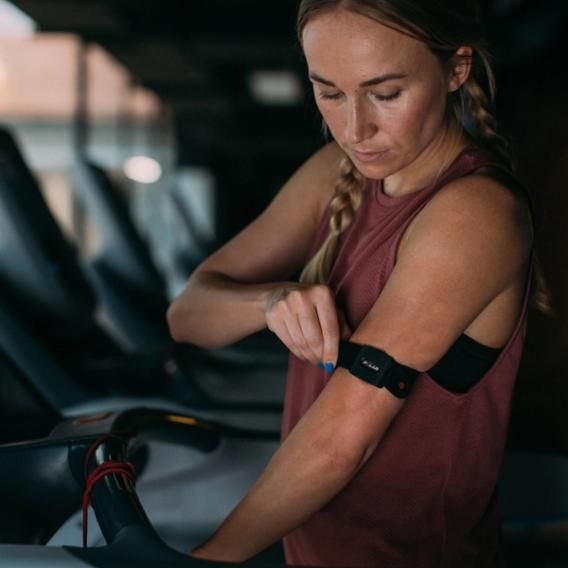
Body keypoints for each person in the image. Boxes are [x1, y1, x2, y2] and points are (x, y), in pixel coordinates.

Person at [166, 1, 535, 566]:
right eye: (329, 92)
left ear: (456, 68)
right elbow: (186, 315)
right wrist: (270, 302)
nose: (354, 128)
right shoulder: (335, 172)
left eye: (385, 94)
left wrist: (207, 560)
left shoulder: (474, 215)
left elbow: (342, 438)